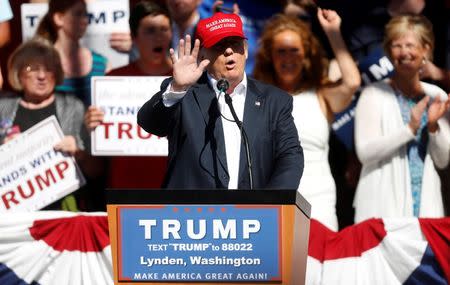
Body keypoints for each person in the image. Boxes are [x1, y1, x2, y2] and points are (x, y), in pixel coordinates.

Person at [138, 12, 304, 189]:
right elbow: (150, 123)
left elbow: (290, 155)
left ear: (246, 50)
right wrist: (177, 89)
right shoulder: (184, 93)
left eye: (235, 43)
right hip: (191, 214)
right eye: (219, 46)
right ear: (202, 56)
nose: (229, 51)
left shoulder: (275, 101)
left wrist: (272, 205)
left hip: (252, 214)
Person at [253, 10, 360, 230]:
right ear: (270, 57)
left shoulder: (320, 94)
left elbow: (351, 83)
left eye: (295, 50)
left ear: (305, 54)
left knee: (318, 263)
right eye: (281, 51)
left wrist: (333, 33)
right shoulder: (256, 97)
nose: (288, 58)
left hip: (318, 200)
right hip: (271, 197)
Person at [354, 15, 450, 222]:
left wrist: (433, 127)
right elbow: (364, 152)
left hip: (426, 207)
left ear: (426, 49)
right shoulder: (373, 94)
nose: (404, 52)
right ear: (389, 52)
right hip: (381, 208)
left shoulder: (437, 96)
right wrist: (409, 129)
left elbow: (442, 161)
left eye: (410, 45)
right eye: (397, 46)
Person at [85, 0, 172, 189]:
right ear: (134, 37)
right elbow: (96, 165)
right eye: (150, 30)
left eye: (164, 29)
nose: (158, 37)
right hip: (125, 191)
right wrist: (92, 129)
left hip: (173, 191)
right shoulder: (113, 80)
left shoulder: (187, 81)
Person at [0, 39, 90, 211]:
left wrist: (80, 153)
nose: (41, 76)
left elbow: (97, 170)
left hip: (64, 211)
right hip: (16, 217)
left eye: (48, 69)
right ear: (18, 73)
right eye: (32, 69)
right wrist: (4, 150)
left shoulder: (74, 107)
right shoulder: (2, 109)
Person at [35, 0, 109, 106]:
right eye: (78, 14)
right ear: (59, 18)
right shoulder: (40, 63)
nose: (85, 20)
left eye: (86, 15)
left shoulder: (102, 63)